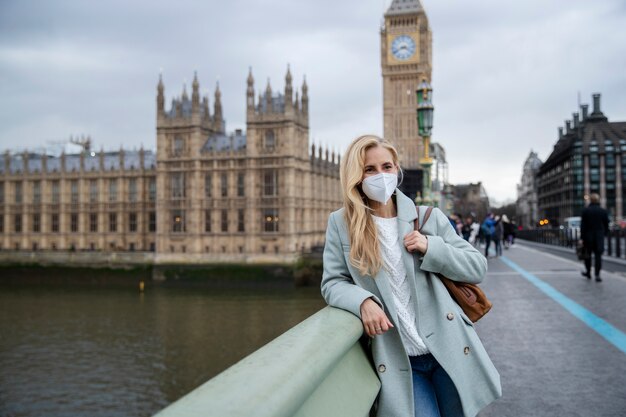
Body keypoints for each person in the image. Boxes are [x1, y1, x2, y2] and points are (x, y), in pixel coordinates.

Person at [321, 135, 501, 417]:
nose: (380, 176)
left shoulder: (427, 217)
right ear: (356, 176)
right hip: (400, 359)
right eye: (370, 169)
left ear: (396, 170)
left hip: (447, 350)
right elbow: (332, 282)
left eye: (387, 167)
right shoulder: (341, 224)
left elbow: (477, 267)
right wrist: (362, 301)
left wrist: (432, 248)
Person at [580, 193, 609, 282]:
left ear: (590, 200)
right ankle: (597, 275)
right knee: (598, 256)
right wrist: (604, 234)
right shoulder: (602, 211)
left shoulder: (586, 211)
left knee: (587, 255)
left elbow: (583, 225)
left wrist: (582, 237)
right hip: (599, 236)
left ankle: (588, 272)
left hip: (588, 236)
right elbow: (606, 224)